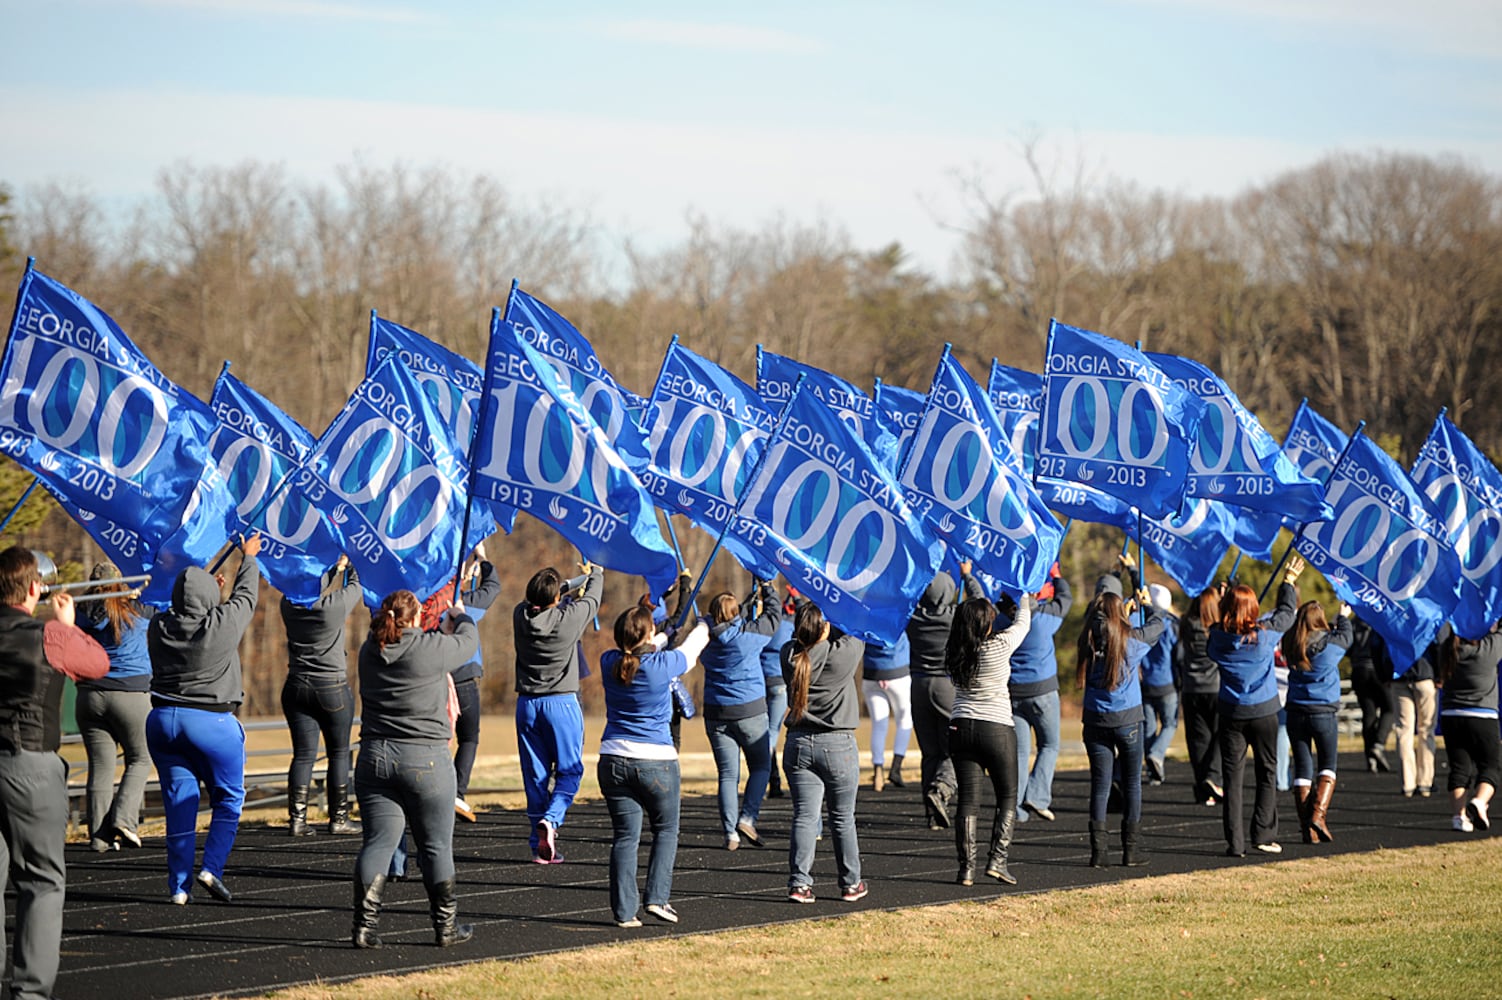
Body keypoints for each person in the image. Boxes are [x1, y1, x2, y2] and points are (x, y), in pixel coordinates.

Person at [0, 546, 109, 1000]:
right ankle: (29, 993)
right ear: (33, 588)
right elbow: (98, 664)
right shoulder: (48, 633)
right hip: (30, 764)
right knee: (42, 882)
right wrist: (65, 626)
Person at [351, 589, 479, 949]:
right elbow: (469, 643)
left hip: (375, 758)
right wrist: (460, 616)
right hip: (426, 760)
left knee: (378, 843)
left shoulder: (368, 651)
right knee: (436, 847)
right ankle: (446, 928)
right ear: (417, 617)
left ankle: (364, 927)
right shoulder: (430, 649)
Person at [146, 533, 263, 904]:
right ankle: (212, 867)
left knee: (180, 803)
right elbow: (246, 596)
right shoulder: (221, 626)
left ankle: (178, 888)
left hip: (163, 721)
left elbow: (182, 605)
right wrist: (248, 557)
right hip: (212, 723)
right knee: (229, 798)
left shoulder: (158, 627)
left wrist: (204, 591)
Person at [598, 600, 710, 927]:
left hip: (613, 760)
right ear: (647, 633)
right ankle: (658, 898)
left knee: (625, 837)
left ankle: (623, 912)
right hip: (656, 762)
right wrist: (703, 623)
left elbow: (638, 651)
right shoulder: (662, 665)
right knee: (665, 830)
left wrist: (660, 636)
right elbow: (692, 650)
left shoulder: (609, 661)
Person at [1207, 556, 1302, 857]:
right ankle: (1263, 834)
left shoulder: (1217, 638)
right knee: (1267, 773)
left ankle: (1234, 843)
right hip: (1263, 712)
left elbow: (1221, 627)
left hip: (1232, 713)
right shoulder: (1263, 636)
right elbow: (1287, 613)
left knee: (1233, 779)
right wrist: (1287, 582)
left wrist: (1228, 605)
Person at [513, 561, 602, 862]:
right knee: (570, 771)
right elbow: (593, 596)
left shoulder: (520, 616)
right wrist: (595, 574)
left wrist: (565, 584)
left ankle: (536, 843)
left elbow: (546, 596)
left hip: (526, 705)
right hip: (561, 704)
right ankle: (551, 820)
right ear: (555, 598)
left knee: (535, 775)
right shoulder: (568, 619)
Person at [782, 602, 867, 904]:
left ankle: (799, 884)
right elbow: (857, 625)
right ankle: (850, 883)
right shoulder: (842, 655)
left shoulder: (789, 655)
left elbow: (805, 644)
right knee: (842, 819)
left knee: (805, 817)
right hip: (837, 744)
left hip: (798, 743)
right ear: (825, 628)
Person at [948, 591, 1033, 885]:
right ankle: (997, 860)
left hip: (960, 726)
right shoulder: (999, 645)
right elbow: (1023, 623)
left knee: (968, 801)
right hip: (996, 726)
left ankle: (966, 869)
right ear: (986, 624)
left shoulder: (955, 650)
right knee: (1008, 795)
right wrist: (1022, 597)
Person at [1077, 579, 1163, 868]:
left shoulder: (1087, 639)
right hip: (1128, 720)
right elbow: (1158, 625)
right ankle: (1131, 850)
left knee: (1100, 786)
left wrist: (1120, 613)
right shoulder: (1131, 640)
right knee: (1132, 784)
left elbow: (1102, 622)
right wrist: (1146, 605)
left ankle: (1098, 853)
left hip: (1095, 719)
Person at [279, 554, 362, 837]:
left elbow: (309, 586)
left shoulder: (287, 605)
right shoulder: (332, 607)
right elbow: (357, 585)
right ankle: (339, 818)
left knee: (302, 755)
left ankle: (297, 820)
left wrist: (331, 567)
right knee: (338, 753)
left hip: (296, 686)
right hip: (331, 688)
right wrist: (347, 565)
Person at [75, 560, 154, 852]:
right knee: (140, 758)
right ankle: (124, 819)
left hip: (88, 695)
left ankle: (98, 837)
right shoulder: (137, 609)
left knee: (100, 766)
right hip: (131, 694)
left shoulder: (80, 611)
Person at [701, 582, 781, 850]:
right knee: (760, 767)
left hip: (715, 711)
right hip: (750, 711)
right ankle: (748, 817)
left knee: (727, 774)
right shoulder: (748, 636)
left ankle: (730, 833)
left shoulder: (704, 637)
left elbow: (724, 624)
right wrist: (769, 589)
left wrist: (746, 604)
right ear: (734, 614)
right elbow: (773, 617)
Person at [906, 564, 984, 830]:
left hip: (918, 686)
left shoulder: (913, 618)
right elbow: (980, 604)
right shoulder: (955, 616)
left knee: (930, 753)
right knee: (955, 748)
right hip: (946, 687)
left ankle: (931, 814)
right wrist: (967, 575)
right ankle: (941, 790)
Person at [1280, 600, 1354, 843]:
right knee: (1328, 764)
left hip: (1295, 711)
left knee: (1302, 767)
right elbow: (1346, 636)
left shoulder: (1291, 642)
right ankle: (1318, 816)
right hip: (1323, 712)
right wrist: (1343, 616)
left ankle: (1306, 829)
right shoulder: (1330, 645)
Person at [1009, 563, 1071, 823]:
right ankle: (1037, 795)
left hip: (1013, 693)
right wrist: (1056, 575)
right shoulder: (1045, 618)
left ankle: (1016, 809)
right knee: (1049, 745)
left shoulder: (1005, 621)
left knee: (1021, 754)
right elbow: (1065, 599)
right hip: (1043, 691)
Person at [450, 544, 501, 822]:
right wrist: (483, 559)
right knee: (468, 738)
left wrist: (467, 573)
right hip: (464, 678)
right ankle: (457, 792)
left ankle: (440, 789)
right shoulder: (465, 604)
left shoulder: (428, 602)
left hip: (435, 677)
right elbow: (493, 587)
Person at [1436, 624, 1502, 833]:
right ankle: (1480, 802)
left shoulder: (1447, 651)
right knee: (1490, 766)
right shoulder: (1489, 648)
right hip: (1483, 716)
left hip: (1451, 716)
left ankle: (1458, 817)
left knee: (1459, 768)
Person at [1179, 583, 1227, 806]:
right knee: (1220, 735)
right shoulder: (1217, 629)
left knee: (1198, 740)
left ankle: (1202, 786)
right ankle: (1213, 777)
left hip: (1191, 689)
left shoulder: (1187, 625)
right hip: (1215, 688)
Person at [1388, 632, 1439, 798]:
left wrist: (1385, 673)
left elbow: (1378, 644)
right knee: (1426, 729)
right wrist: (1439, 674)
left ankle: (1407, 782)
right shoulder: (1425, 615)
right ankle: (1425, 782)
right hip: (1424, 674)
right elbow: (1438, 642)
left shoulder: (1393, 617)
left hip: (1399, 676)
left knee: (1403, 731)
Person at [862, 631, 912, 792]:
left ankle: (878, 769)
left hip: (871, 672)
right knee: (904, 720)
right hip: (898, 670)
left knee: (878, 724)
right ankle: (896, 768)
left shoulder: (866, 612)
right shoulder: (897, 610)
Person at [1140, 583, 1180, 786]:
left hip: (1146, 681)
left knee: (1149, 727)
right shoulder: (1172, 625)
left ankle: (1153, 772)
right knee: (1170, 723)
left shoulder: (1143, 621)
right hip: (1167, 682)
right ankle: (1156, 755)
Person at [760, 589, 797, 799]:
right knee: (772, 733)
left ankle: (773, 781)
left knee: (767, 732)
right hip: (780, 681)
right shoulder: (790, 626)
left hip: (761, 679)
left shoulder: (766, 626)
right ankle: (766, 777)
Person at [1347, 615, 1394, 773]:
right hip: (1376, 669)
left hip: (1358, 670)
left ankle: (1370, 756)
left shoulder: (1354, 623)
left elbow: (1347, 647)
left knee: (1369, 713)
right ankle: (1378, 744)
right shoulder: (1379, 620)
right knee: (1390, 709)